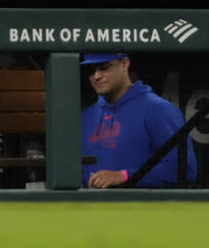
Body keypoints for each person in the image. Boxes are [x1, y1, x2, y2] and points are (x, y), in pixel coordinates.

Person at [80, 52, 197, 188]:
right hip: (90, 207)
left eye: (104, 68)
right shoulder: (85, 117)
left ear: (125, 64)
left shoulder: (158, 110)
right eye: (90, 71)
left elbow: (185, 170)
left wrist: (124, 176)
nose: (97, 76)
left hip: (142, 207)